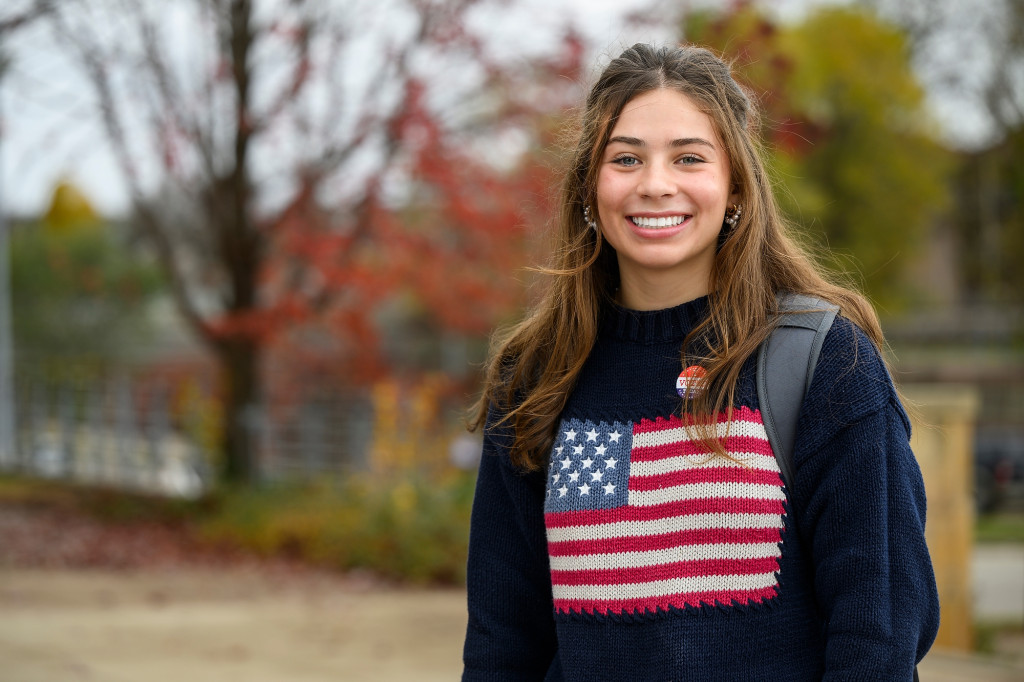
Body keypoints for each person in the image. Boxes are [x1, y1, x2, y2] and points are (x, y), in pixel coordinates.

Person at [462, 43, 939, 681]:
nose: (655, 184)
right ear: (589, 188)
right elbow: (502, 647)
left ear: (736, 184)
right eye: (626, 158)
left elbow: (877, 637)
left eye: (689, 157)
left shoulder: (824, 363)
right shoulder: (536, 377)